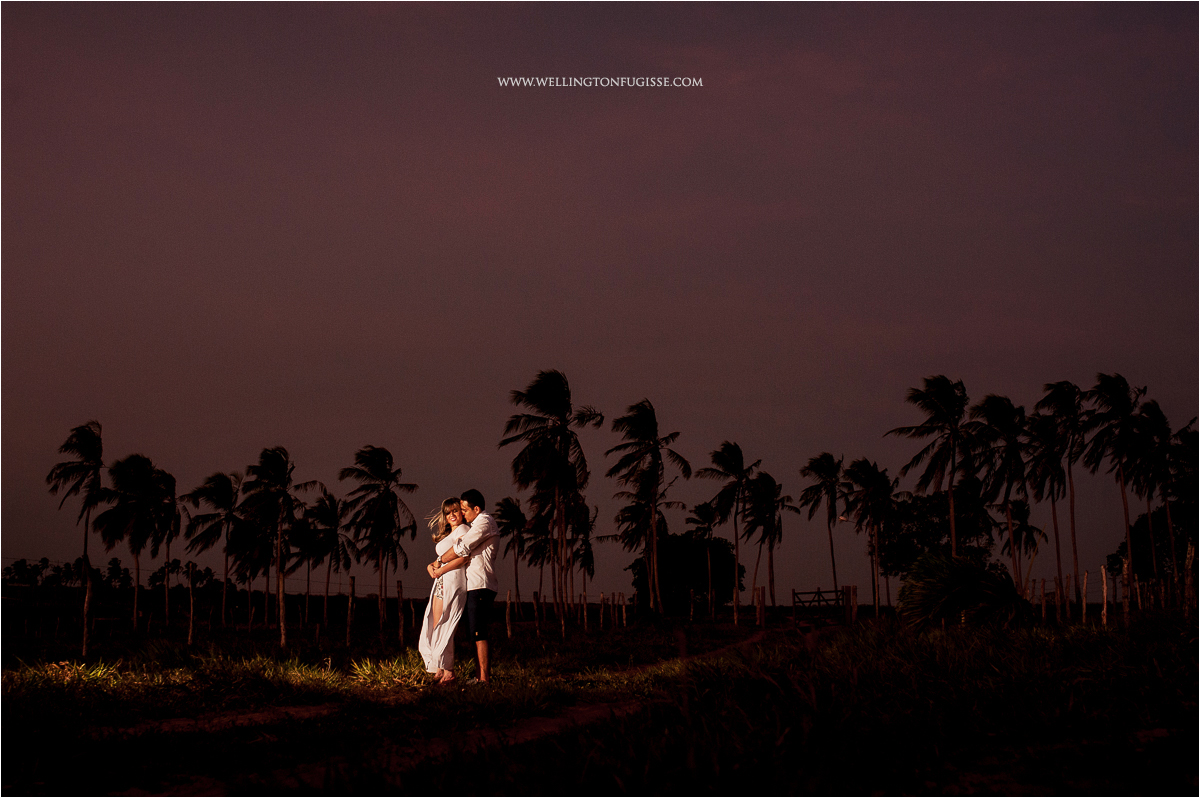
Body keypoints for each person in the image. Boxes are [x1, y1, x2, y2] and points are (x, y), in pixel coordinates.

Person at [439, 488, 498, 683]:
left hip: (480, 584)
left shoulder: (484, 522)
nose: (462, 513)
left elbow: (462, 547)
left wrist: (439, 561)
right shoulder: (476, 524)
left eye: (464, 509)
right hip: (474, 585)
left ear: (477, 509)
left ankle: (484, 679)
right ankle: (479, 675)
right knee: (473, 631)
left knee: (479, 631)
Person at [417, 497, 470, 684]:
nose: (452, 515)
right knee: (436, 624)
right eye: (448, 512)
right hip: (441, 581)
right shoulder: (449, 534)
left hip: (453, 580)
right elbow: (440, 558)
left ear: (462, 512)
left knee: (446, 625)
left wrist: (440, 570)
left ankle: (449, 672)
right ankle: (439, 668)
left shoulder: (464, 530)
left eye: (455, 511)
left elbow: (463, 557)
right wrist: (431, 567)